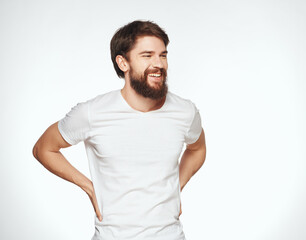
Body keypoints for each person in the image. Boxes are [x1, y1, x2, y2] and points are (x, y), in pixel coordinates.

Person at [32, 20, 206, 240]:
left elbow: (198, 149)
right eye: (147, 55)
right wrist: (89, 187)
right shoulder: (92, 112)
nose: (159, 64)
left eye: (163, 55)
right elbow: (43, 149)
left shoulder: (185, 111)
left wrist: (176, 188)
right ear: (123, 63)